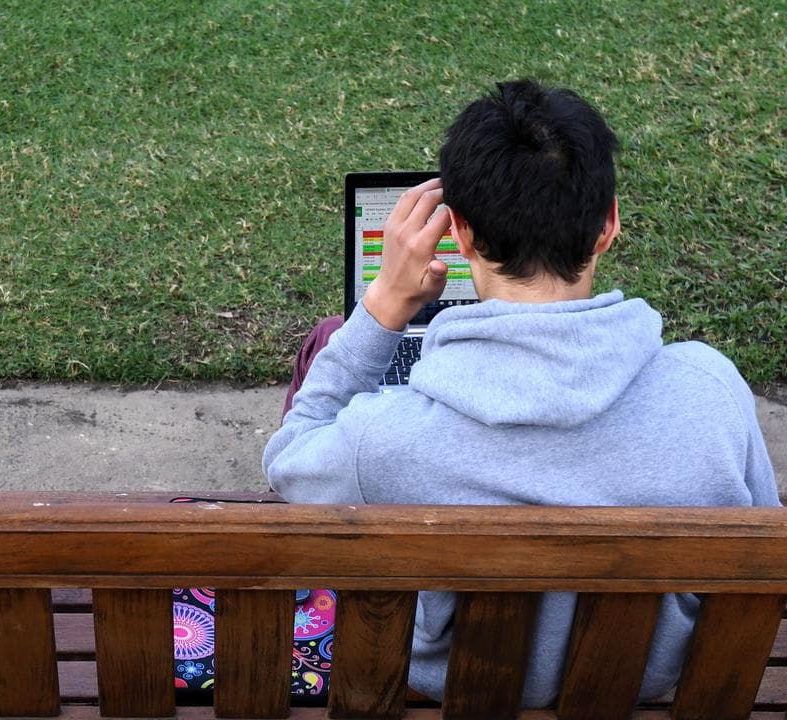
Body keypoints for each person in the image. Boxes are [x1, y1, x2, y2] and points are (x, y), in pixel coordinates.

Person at [262, 79, 780, 707]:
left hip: (453, 688)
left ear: (460, 236)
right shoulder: (711, 391)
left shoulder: (383, 440)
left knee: (329, 340)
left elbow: (290, 461)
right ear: (607, 226)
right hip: (640, 685)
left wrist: (383, 306)